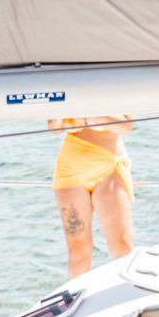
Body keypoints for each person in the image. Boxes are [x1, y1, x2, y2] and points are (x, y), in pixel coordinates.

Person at [51, 115, 136, 278]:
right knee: (78, 252)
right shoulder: (69, 90)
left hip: (109, 169)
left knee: (122, 247)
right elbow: (53, 128)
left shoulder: (113, 89)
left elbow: (126, 127)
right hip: (70, 173)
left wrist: (89, 114)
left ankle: (126, 295)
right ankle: (77, 300)